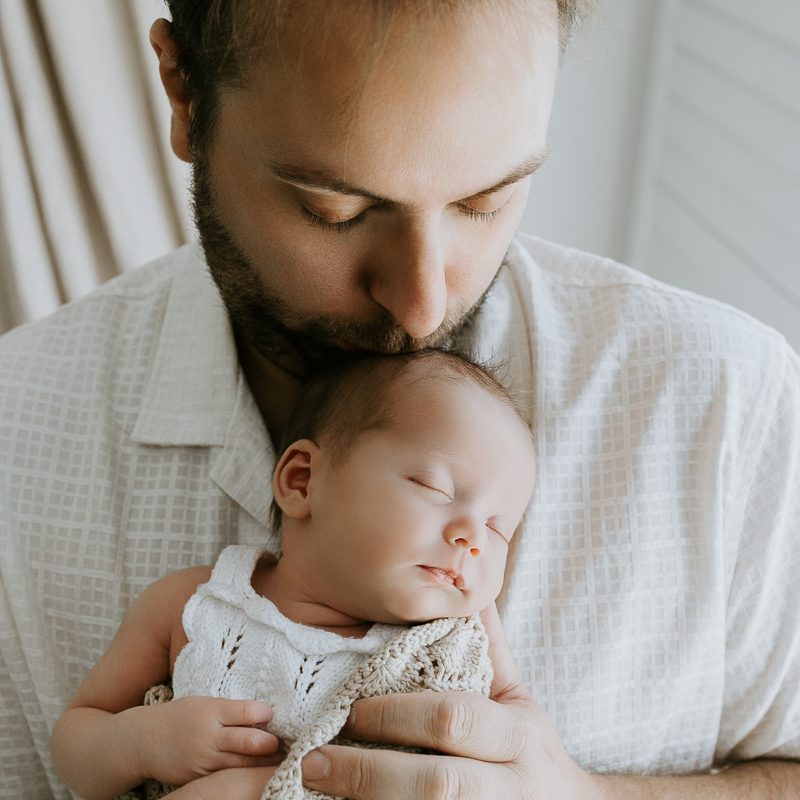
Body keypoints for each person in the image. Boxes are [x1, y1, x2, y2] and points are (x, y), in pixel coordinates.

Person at [0, 0, 798, 797]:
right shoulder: (18, 423)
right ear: (182, 90)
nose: (421, 304)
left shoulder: (729, 399)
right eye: (336, 210)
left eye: (486, 200)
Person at [50, 349, 537, 800]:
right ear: (301, 479)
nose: (472, 538)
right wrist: (143, 741)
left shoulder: (463, 637)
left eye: (499, 528)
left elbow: (517, 731)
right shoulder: (195, 605)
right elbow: (76, 739)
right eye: (435, 487)